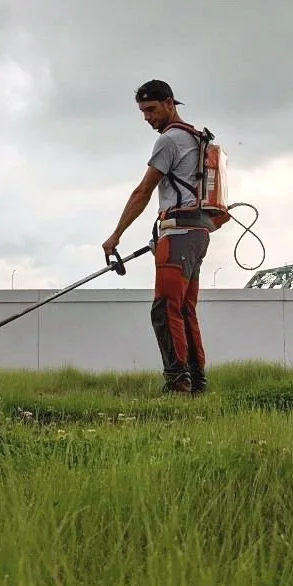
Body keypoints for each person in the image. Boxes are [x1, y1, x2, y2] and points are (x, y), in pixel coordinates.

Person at [102, 79, 212, 394]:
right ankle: (197, 382)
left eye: (151, 109)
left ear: (169, 103)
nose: (147, 117)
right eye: (143, 112)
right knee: (184, 307)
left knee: (165, 308)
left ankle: (178, 382)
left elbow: (143, 191)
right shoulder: (195, 136)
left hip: (178, 234)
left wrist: (116, 235)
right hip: (197, 232)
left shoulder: (170, 140)